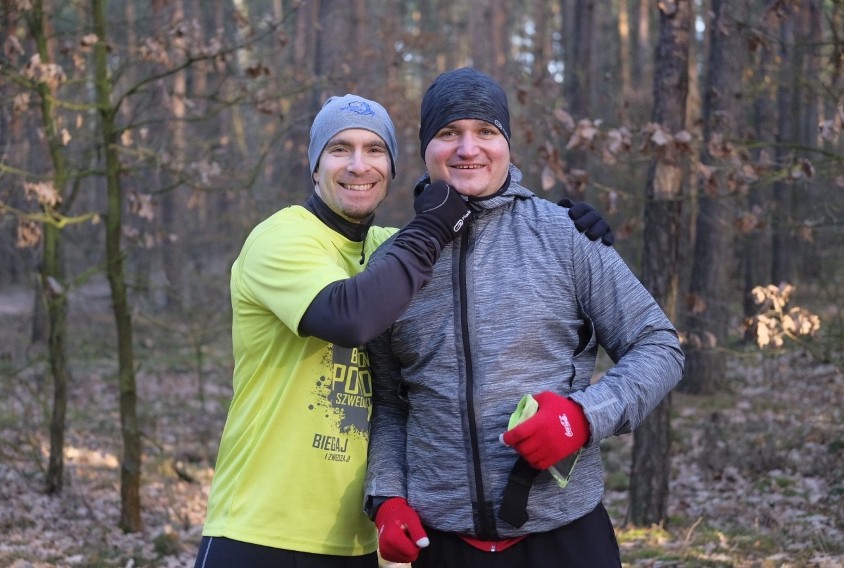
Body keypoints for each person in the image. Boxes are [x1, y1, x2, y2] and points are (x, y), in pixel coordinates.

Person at [195, 93, 613, 567]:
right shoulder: (283, 236)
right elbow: (350, 316)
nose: (358, 165)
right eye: (339, 149)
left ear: (392, 168)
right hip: (262, 531)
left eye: (375, 150)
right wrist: (435, 221)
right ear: (314, 166)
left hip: (357, 540)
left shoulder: (386, 251)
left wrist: (564, 228)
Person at [363, 68, 685, 568]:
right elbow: (389, 404)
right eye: (449, 133)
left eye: (486, 132)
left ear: (507, 145)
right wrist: (386, 496)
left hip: (566, 538)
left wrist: (582, 417)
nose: (468, 149)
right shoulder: (394, 266)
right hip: (443, 545)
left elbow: (658, 345)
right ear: (425, 149)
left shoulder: (566, 235)